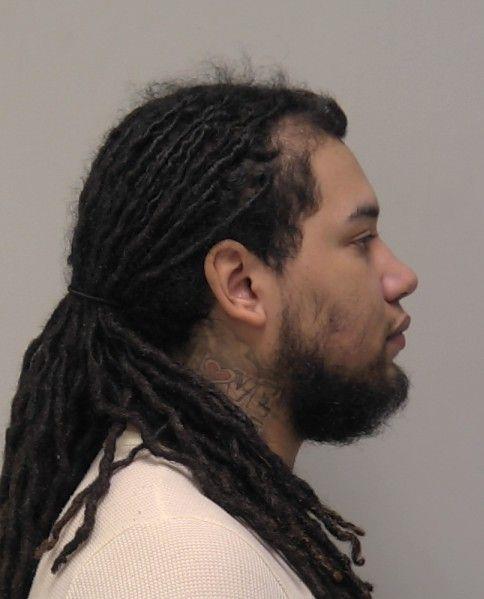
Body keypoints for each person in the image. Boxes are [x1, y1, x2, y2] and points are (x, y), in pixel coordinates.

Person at [0, 62, 418, 599]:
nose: (401, 277)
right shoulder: (178, 564)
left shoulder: (201, 530)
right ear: (242, 284)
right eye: (361, 241)